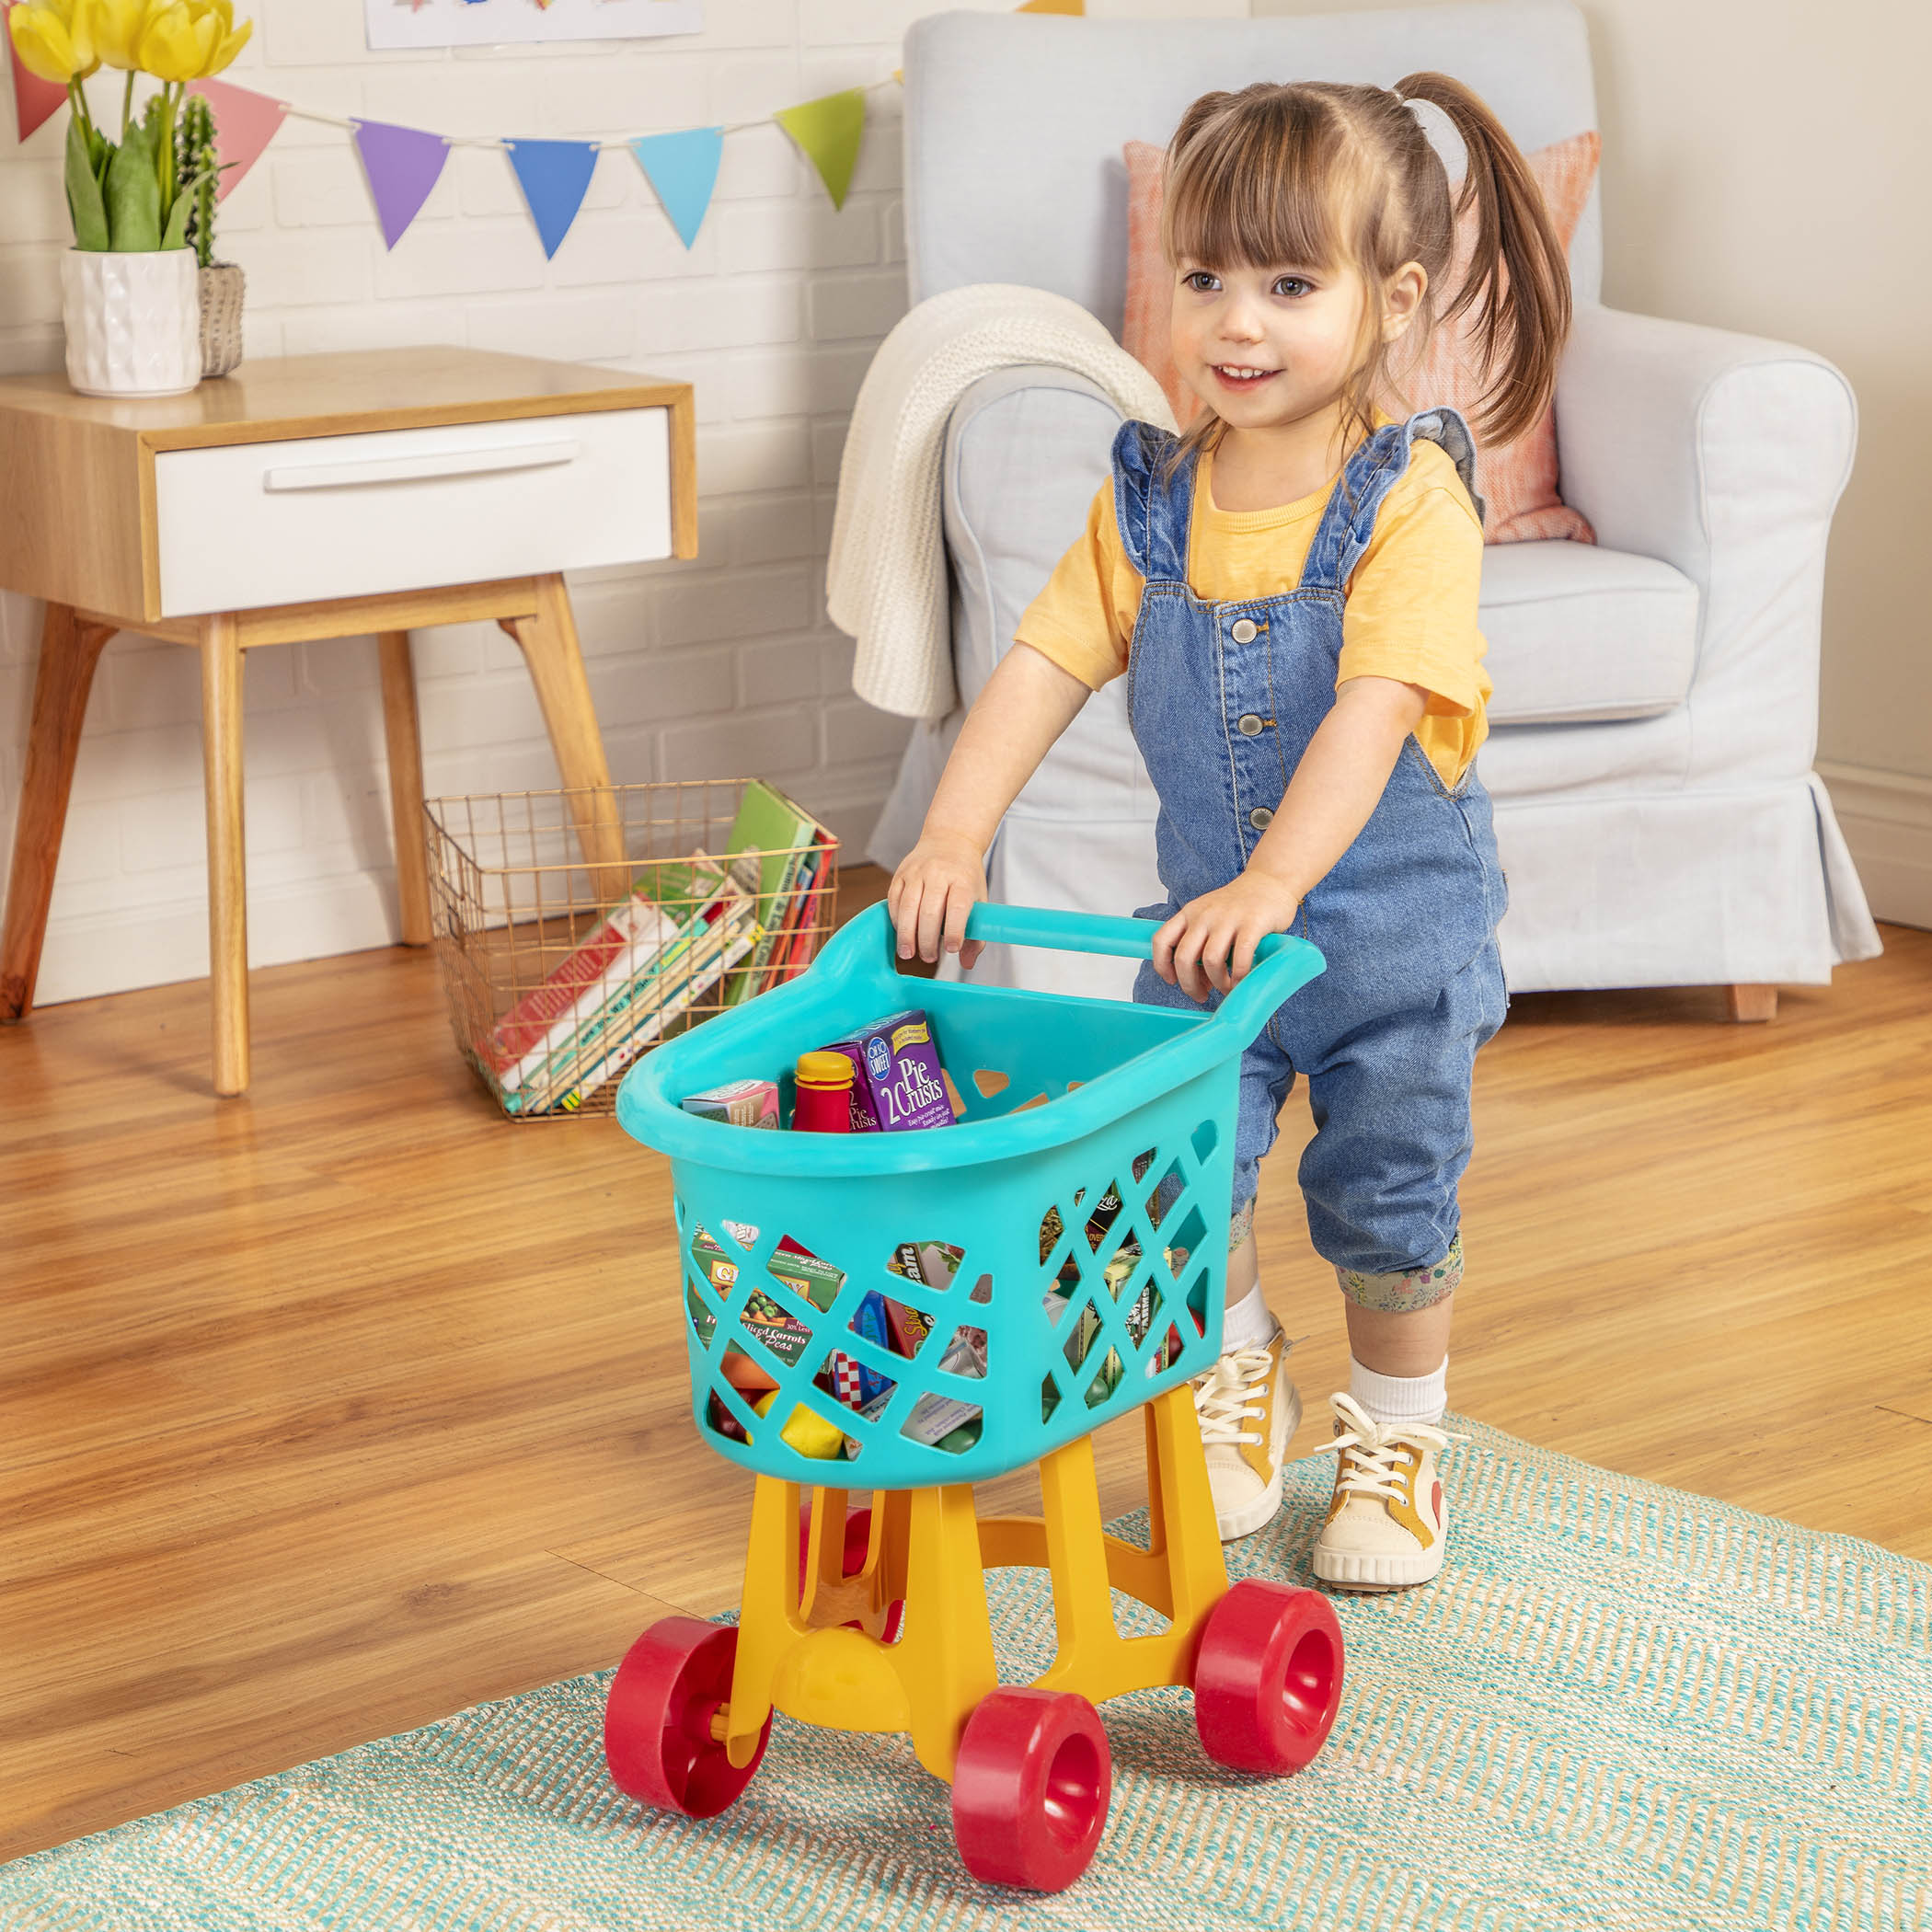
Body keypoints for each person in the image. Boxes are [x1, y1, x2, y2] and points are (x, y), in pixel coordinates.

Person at [887, 75, 1572, 1591]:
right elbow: (1041, 662)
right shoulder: (1149, 504)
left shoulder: (1412, 501)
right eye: (1205, 279)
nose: (1235, 324)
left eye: (1287, 283)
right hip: (1213, 936)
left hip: (1384, 932)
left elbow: (1376, 708)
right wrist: (952, 835)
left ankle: (1400, 1434)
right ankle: (1232, 1368)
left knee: (1388, 1195)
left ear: (1388, 302)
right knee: (1174, 1175)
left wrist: (1277, 879)